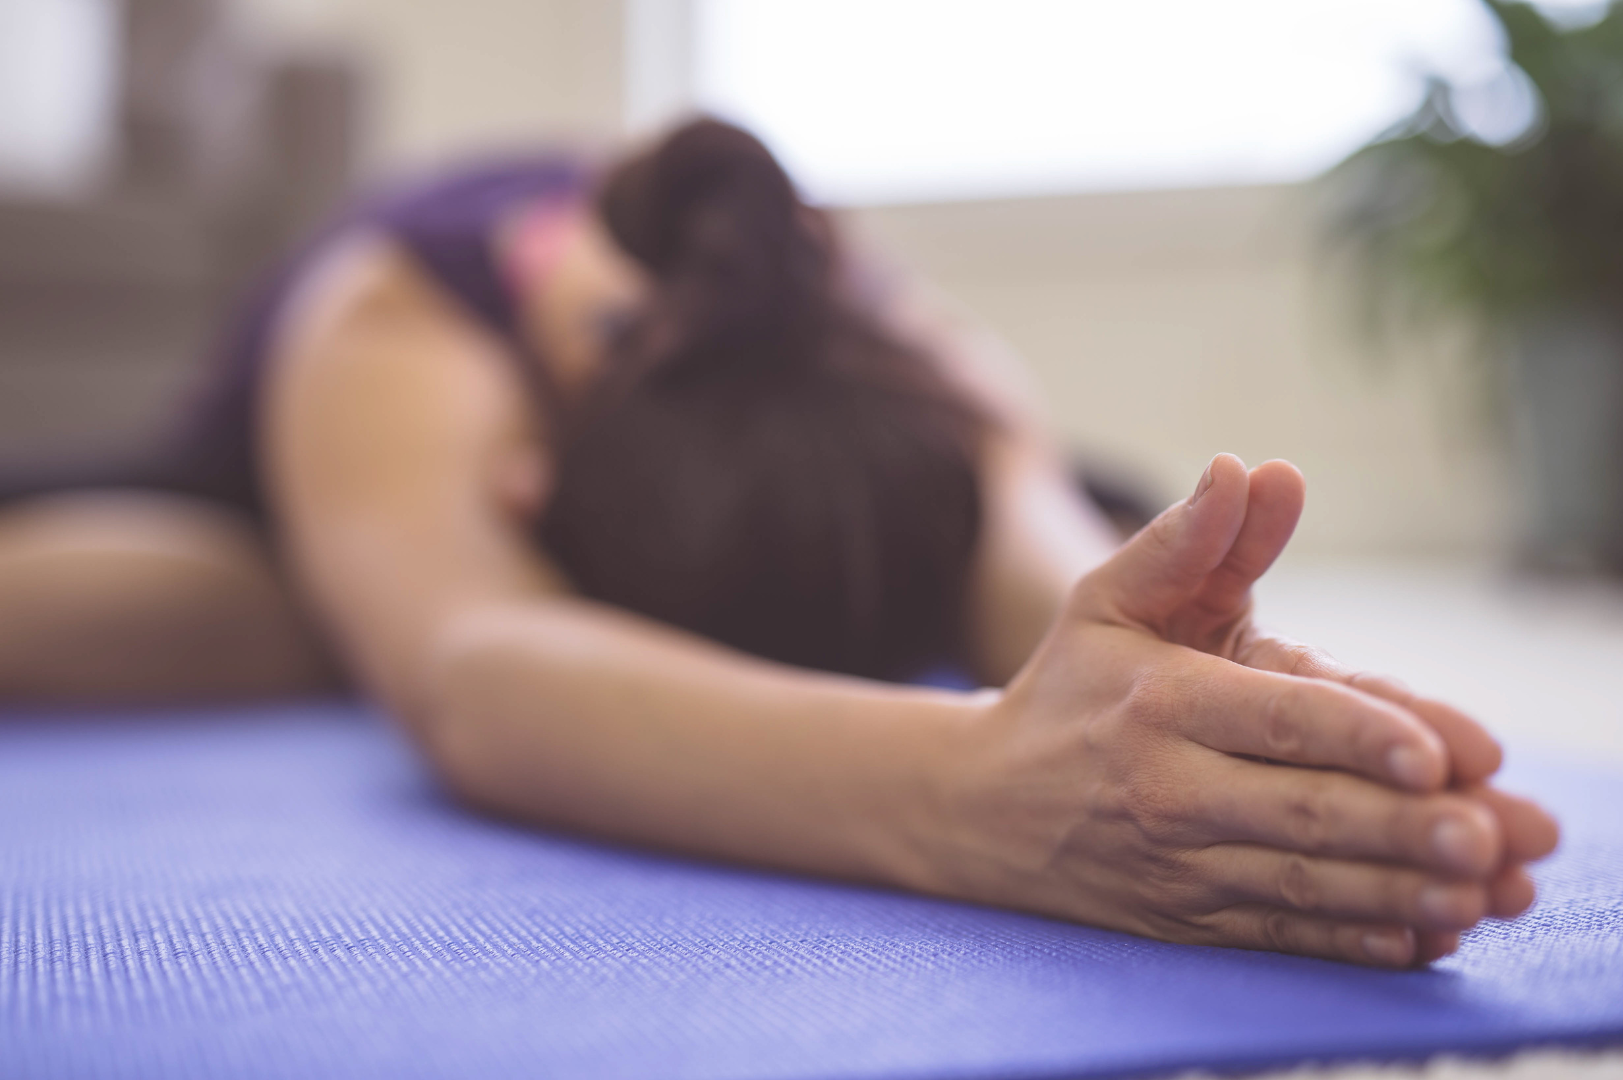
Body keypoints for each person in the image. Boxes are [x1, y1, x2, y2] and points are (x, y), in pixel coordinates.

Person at [0, 118, 1557, 967]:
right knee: (215, 618)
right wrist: (979, 794)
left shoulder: (866, 322)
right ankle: (343, 592)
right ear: (528, 496)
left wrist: (1179, 691)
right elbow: (477, 667)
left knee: (1079, 493)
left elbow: (1007, 495)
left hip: (769, 409)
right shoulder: (403, 332)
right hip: (264, 479)